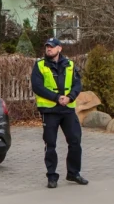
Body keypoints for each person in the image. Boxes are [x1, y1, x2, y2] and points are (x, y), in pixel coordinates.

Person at [31, 37, 89, 189]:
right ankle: (52, 176)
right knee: (50, 144)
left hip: (67, 109)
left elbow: (77, 84)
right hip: (50, 110)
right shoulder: (40, 66)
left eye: (52, 46)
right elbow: (37, 87)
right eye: (47, 47)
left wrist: (70, 98)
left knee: (75, 141)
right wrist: (57, 98)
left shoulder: (70, 65)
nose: (48, 49)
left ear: (59, 48)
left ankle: (73, 173)